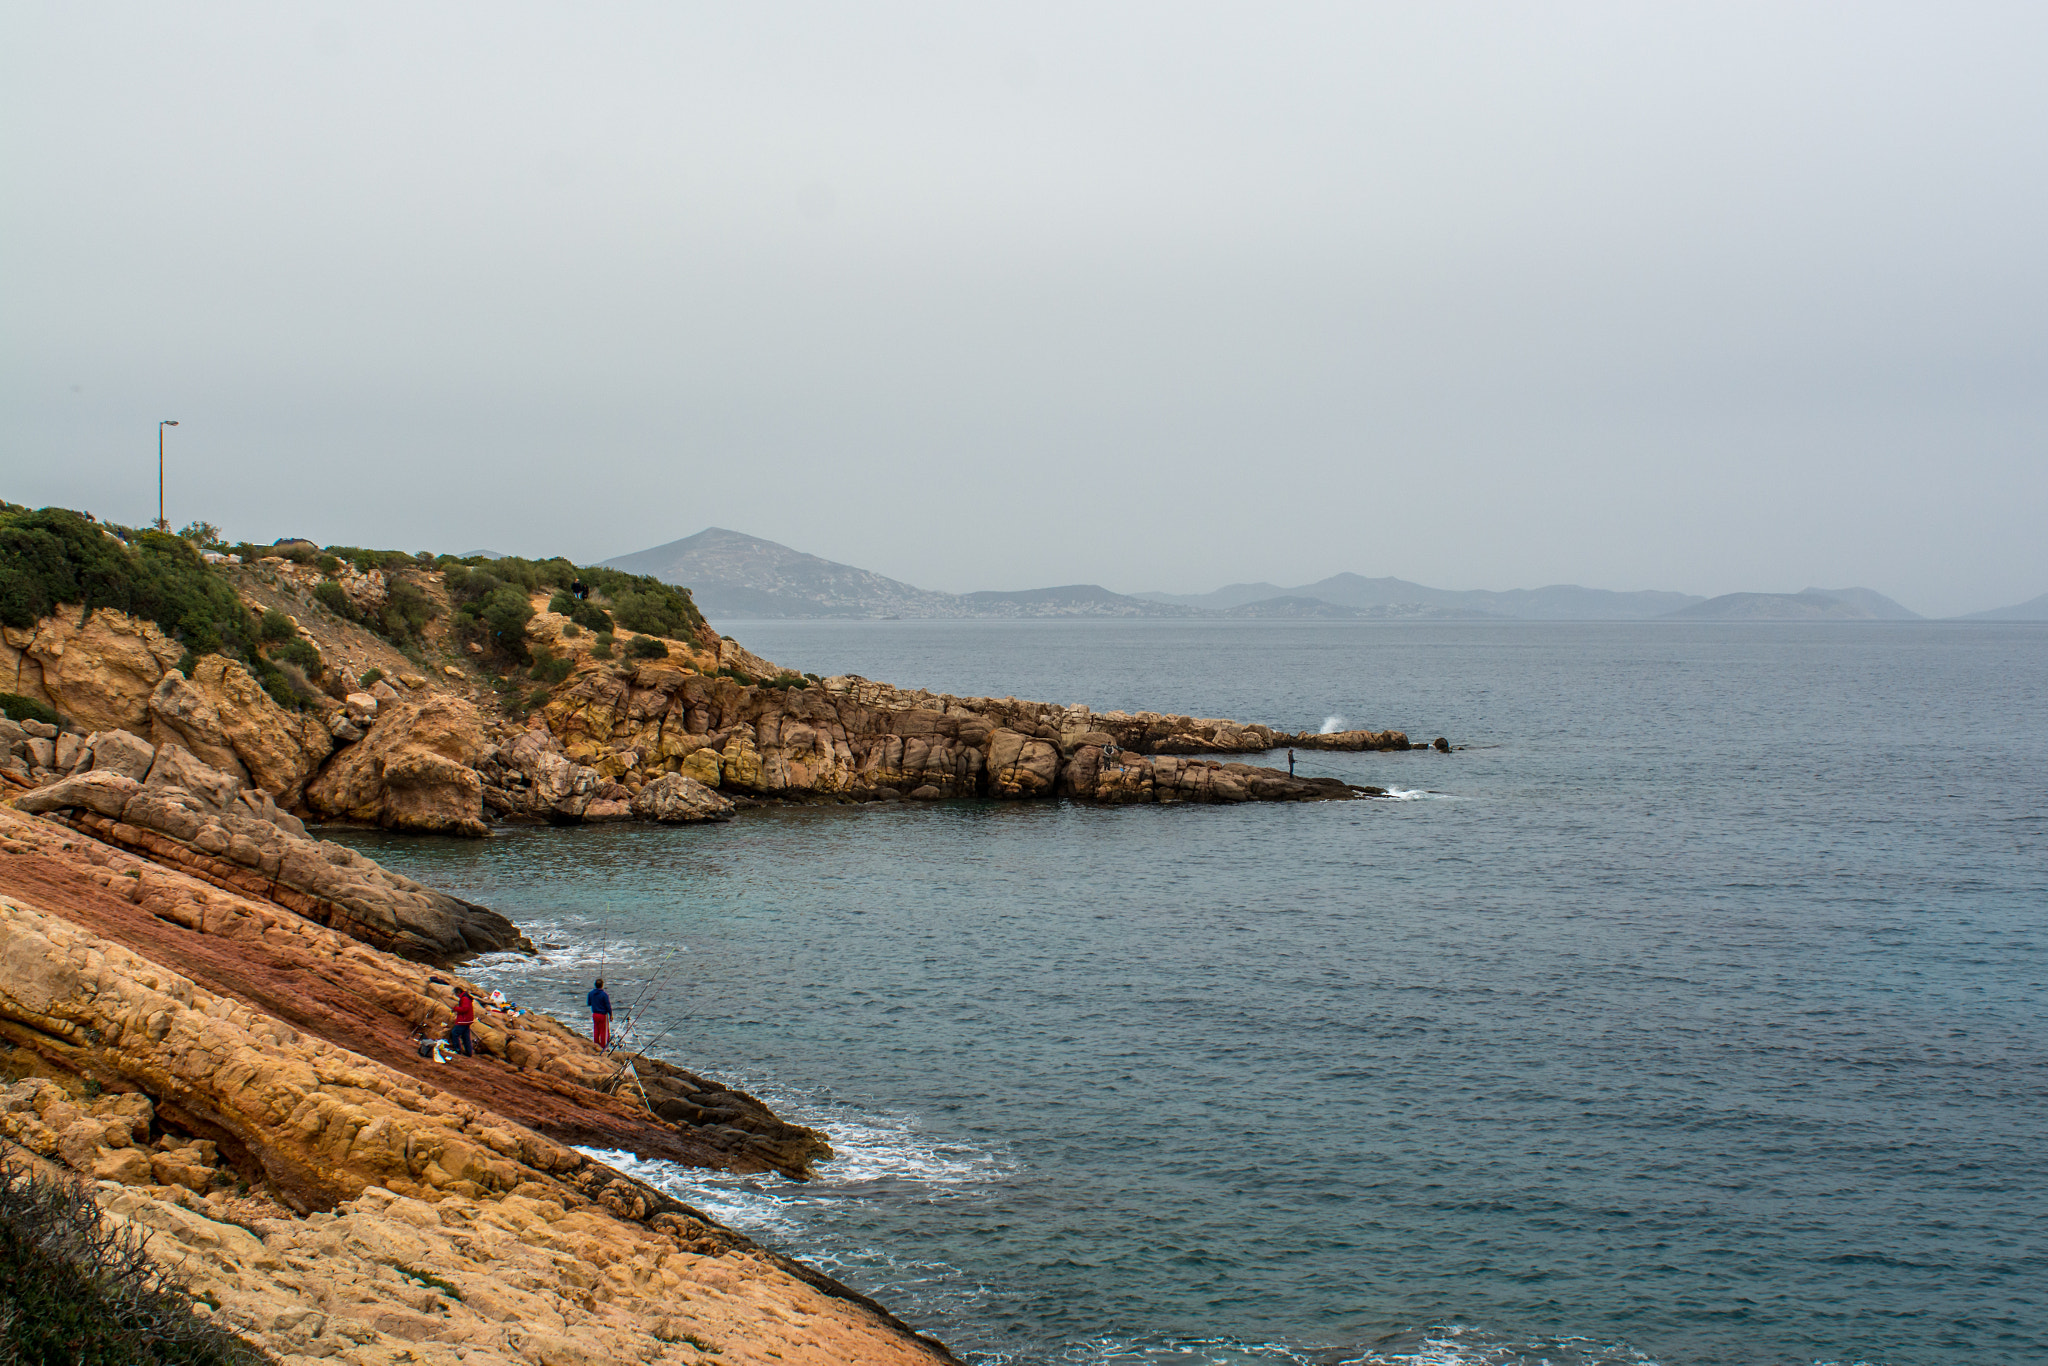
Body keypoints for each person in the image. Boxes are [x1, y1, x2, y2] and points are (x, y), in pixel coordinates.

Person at [447, 988, 476, 1058]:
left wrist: (455, 1008)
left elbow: (465, 1009)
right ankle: (469, 1052)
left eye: (456, 994)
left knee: (454, 1033)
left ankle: (457, 1049)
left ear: (458, 992)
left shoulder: (464, 998)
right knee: (465, 1036)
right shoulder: (466, 997)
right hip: (468, 1020)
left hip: (463, 1020)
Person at [588, 978, 612, 1050]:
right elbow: (607, 1005)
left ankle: (596, 1044)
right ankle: (604, 1047)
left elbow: (589, 1003)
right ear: (602, 985)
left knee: (596, 1030)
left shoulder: (591, 993)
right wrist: (611, 1014)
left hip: (595, 1014)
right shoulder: (604, 994)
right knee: (603, 1032)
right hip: (602, 1015)